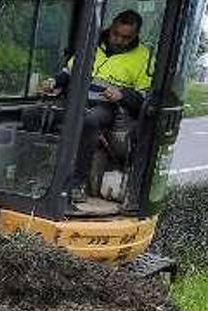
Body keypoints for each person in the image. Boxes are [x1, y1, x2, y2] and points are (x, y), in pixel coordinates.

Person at [41, 9, 153, 205]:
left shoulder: (144, 57)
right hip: (77, 101)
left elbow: (144, 97)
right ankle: (38, 176)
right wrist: (53, 82)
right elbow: (68, 72)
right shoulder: (90, 45)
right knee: (37, 115)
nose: (118, 40)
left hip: (109, 107)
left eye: (126, 38)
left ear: (135, 36)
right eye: (115, 34)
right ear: (110, 28)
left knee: (90, 121)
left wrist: (123, 94)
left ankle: (77, 183)